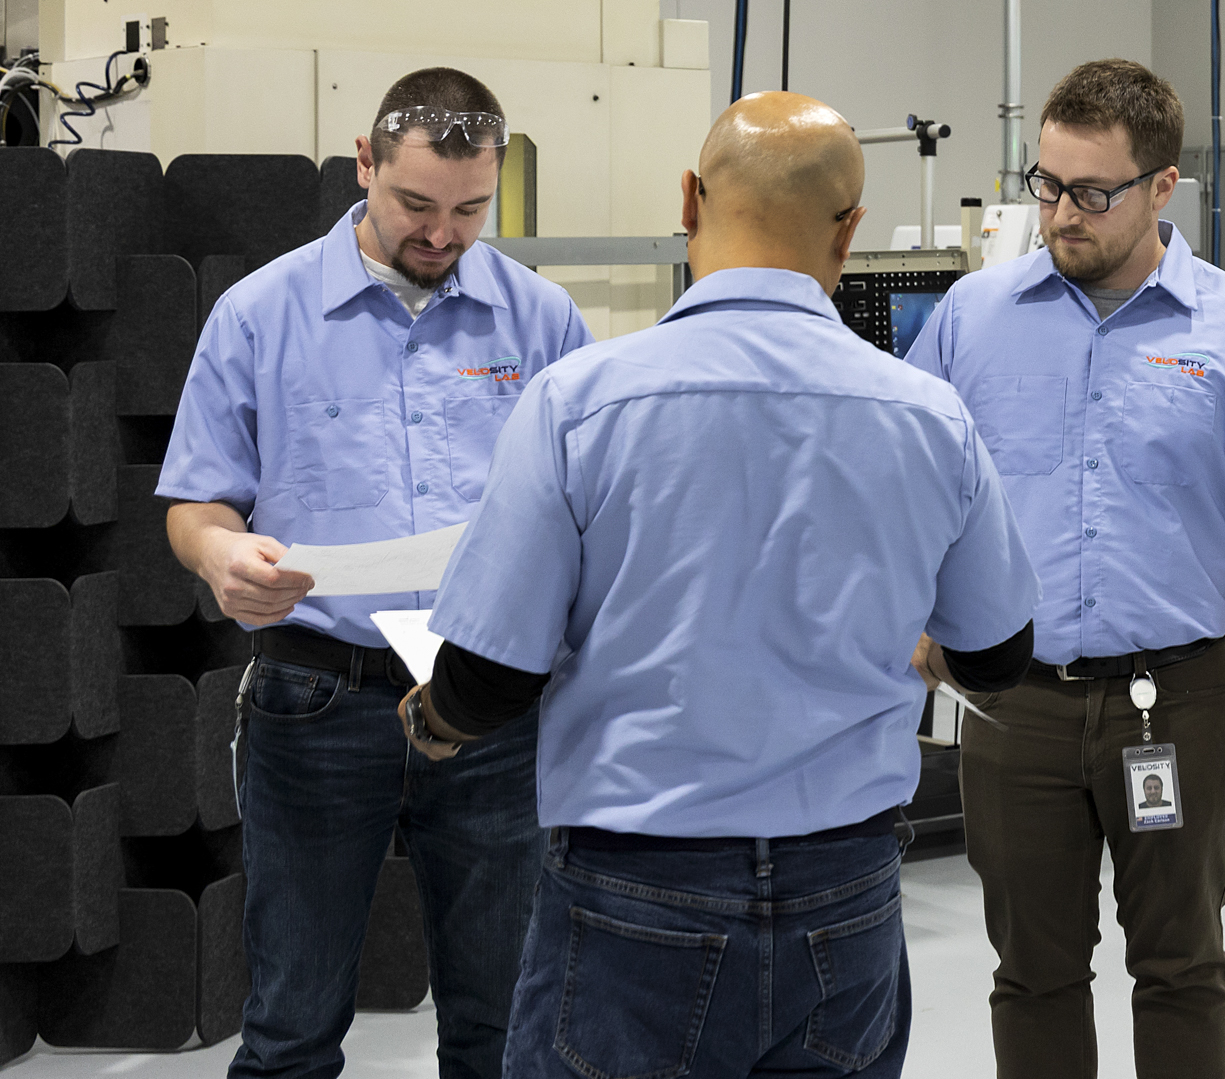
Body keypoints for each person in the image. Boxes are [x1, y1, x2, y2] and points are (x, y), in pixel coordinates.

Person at [406, 91, 1040, 1079]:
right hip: (848, 895)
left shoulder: (580, 402)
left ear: (690, 200)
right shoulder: (930, 416)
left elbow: (490, 675)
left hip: (636, 890)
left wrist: (432, 720)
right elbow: (1000, 658)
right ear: (851, 231)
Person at [905, 58, 1225, 1079]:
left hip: (1176, 701)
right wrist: (920, 618)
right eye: (1047, 184)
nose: (1062, 213)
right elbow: (914, 486)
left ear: (1162, 187)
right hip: (1013, 702)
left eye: (1092, 192)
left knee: (1183, 965)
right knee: (1033, 971)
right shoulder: (972, 319)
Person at [159, 68, 593, 1079]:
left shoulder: (543, 322)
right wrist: (220, 553)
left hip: (492, 702)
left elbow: (587, 506)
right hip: (319, 699)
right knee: (291, 1024)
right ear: (364, 164)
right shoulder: (258, 314)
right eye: (415, 205)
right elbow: (196, 503)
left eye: (469, 209)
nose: (440, 233)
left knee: (503, 1025)